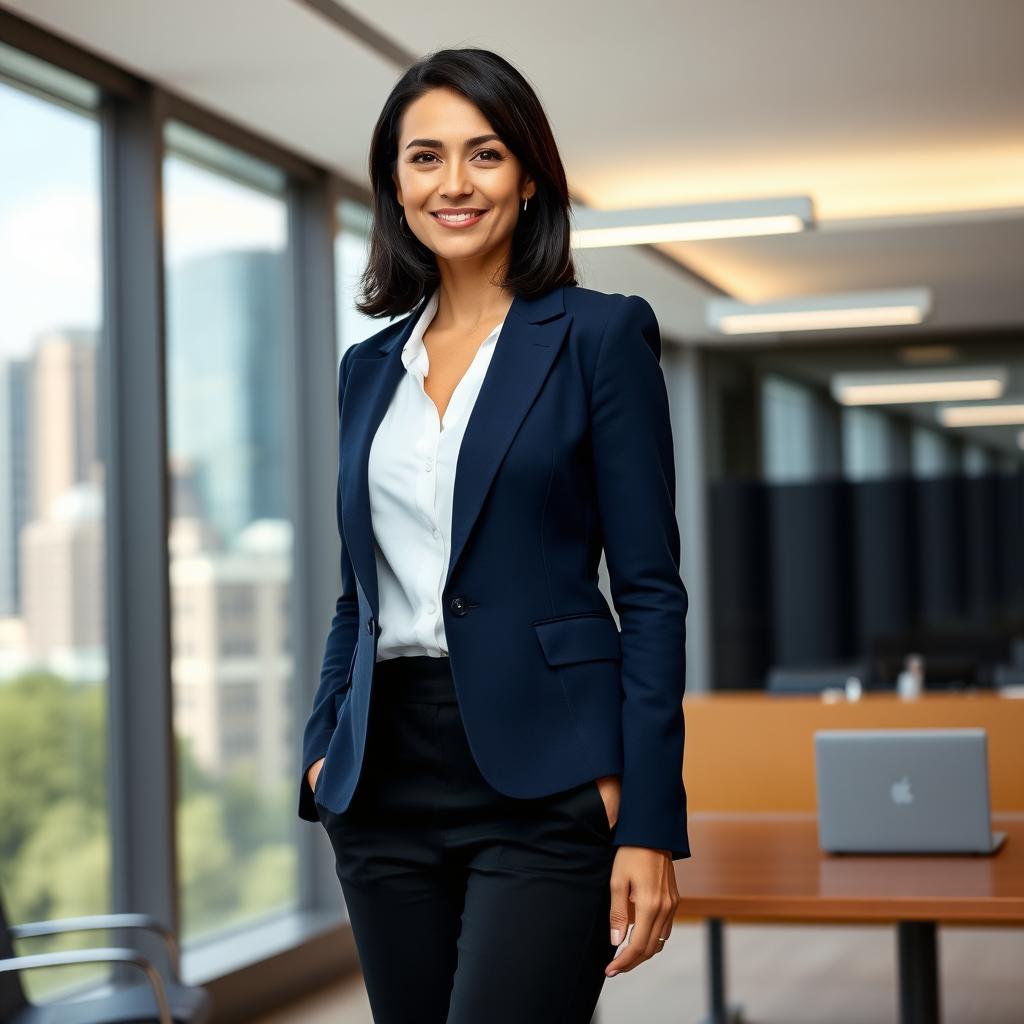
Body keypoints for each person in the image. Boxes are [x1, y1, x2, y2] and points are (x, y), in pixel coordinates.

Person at [297, 45, 690, 1024]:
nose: (454, 183)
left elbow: (649, 593)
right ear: (395, 183)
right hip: (382, 779)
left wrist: (647, 819)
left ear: (527, 178)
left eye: (484, 155)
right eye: (424, 157)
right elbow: (360, 591)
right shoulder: (367, 367)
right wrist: (319, 749)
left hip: (546, 777)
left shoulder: (599, 335)